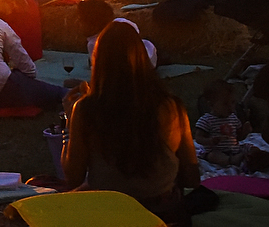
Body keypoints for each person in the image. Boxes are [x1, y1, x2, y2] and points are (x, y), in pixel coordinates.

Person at [64, 22, 200, 227]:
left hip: (109, 216)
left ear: (99, 61)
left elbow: (73, 177)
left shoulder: (86, 110)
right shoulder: (171, 106)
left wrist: (69, 123)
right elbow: (192, 177)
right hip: (165, 215)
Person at [77, 0, 157, 68]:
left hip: (145, 60)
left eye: (81, 20)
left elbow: (102, 75)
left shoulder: (96, 44)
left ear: (92, 25)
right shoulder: (121, 23)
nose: (77, 22)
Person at [194, 80, 252, 167]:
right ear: (211, 105)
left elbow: (238, 138)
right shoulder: (207, 120)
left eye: (232, 103)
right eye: (225, 104)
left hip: (234, 149)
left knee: (250, 147)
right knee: (213, 156)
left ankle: (254, 156)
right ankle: (231, 160)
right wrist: (210, 141)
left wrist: (245, 131)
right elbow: (198, 137)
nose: (230, 107)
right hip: (216, 150)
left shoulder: (233, 118)